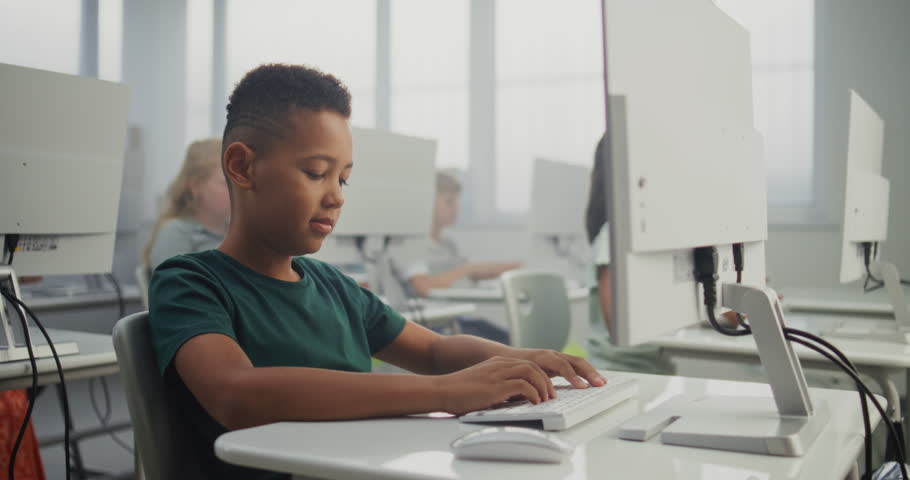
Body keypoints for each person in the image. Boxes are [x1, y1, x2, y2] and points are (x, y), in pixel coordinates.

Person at [149, 63, 605, 480]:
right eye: (315, 173)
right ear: (241, 166)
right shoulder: (191, 281)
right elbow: (236, 393)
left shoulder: (332, 286)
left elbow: (433, 351)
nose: (336, 196)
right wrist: (445, 393)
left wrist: (519, 359)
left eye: (342, 178)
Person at [584, 134, 675, 374]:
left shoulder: (656, 231)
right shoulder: (616, 235)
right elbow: (618, 321)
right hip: (618, 370)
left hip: (655, 366)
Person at [399, 171, 521, 297]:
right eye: (449, 202)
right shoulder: (411, 245)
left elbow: (469, 273)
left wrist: (508, 268)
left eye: (457, 201)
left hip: (453, 311)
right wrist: (468, 269)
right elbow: (423, 287)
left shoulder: (448, 244)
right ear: (428, 202)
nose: (457, 208)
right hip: (429, 314)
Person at [143, 137, 230, 271]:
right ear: (195, 186)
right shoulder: (175, 234)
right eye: (227, 183)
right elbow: (174, 288)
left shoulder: (236, 233)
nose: (238, 190)